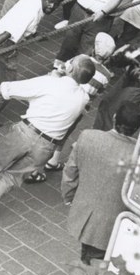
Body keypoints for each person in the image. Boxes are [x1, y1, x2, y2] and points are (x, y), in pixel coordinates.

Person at [0, 55, 95, 227]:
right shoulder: (83, 99)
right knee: (12, 178)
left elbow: (12, 88)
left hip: (25, 133)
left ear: (70, 68)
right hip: (46, 146)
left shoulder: (49, 83)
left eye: (71, 61)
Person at [62, 101, 140, 265]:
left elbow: (70, 172)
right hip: (112, 224)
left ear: (114, 117)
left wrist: (69, 197)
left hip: (84, 212)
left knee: (88, 257)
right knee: (95, 261)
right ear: (138, 128)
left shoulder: (87, 137)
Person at [27, 32, 117, 183]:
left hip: (61, 99)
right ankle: (52, 161)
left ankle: (35, 169)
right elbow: (98, 93)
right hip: (79, 109)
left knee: (49, 132)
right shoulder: (106, 76)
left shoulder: (79, 59)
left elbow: (61, 69)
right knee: (63, 134)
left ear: (94, 49)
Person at [0, 0, 68, 126]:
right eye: (50, 1)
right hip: (2, 44)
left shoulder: (33, 0)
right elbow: (8, 33)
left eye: (56, 4)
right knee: (8, 83)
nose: (51, 6)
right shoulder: (32, 11)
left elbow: (25, 26)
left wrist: (36, 36)